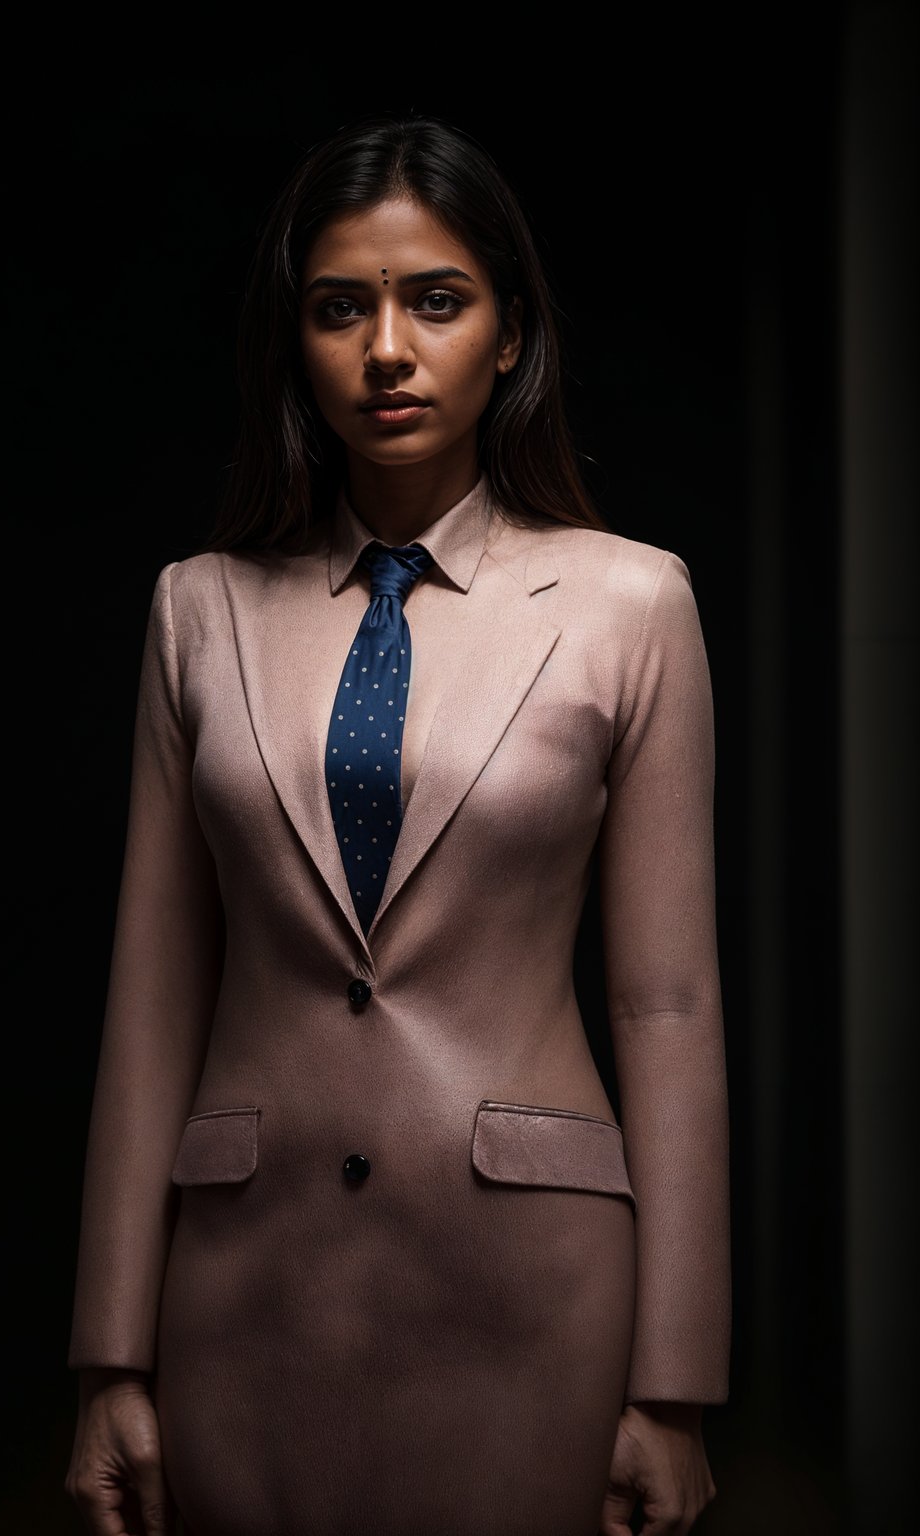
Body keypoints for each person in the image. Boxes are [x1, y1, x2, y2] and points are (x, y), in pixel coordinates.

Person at [64, 115, 731, 1536]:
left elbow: (668, 1005)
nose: (385, 347)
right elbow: (151, 997)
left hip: (535, 1290)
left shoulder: (633, 605)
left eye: (435, 299)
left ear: (507, 335)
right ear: (293, 343)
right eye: (338, 307)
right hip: (245, 1287)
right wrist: (108, 1358)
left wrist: (674, 1387)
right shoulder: (199, 608)